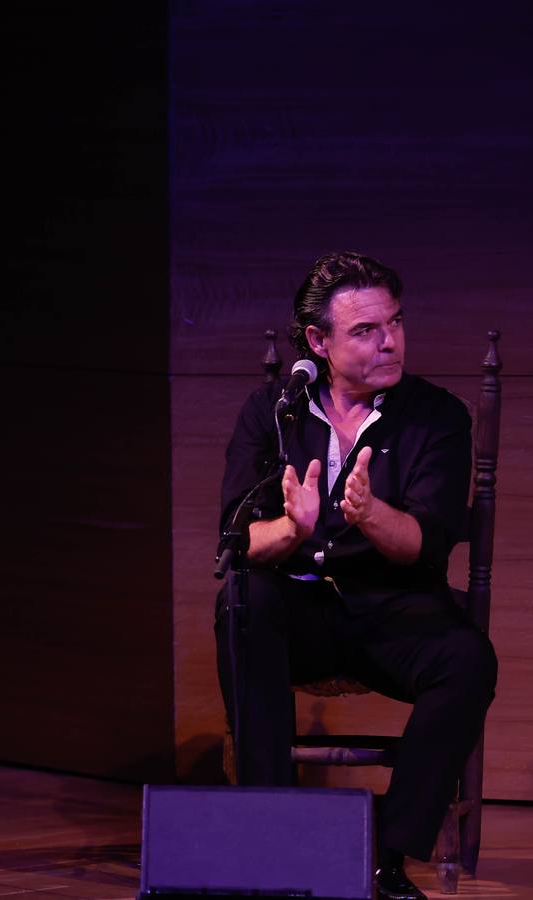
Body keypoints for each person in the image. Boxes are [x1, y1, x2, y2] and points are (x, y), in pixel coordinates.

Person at [216, 251, 497, 900]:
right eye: (367, 330)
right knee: (242, 601)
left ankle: (387, 858)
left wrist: (369, 514)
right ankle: (274, 839)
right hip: (299, 614)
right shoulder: (274, 413)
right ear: (319, 342)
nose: (390, 341)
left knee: (468, 659)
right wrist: (293, 530)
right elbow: (237, 539)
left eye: (395, 322)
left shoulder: (436, 417)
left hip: (394, 611)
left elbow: (425, 544)